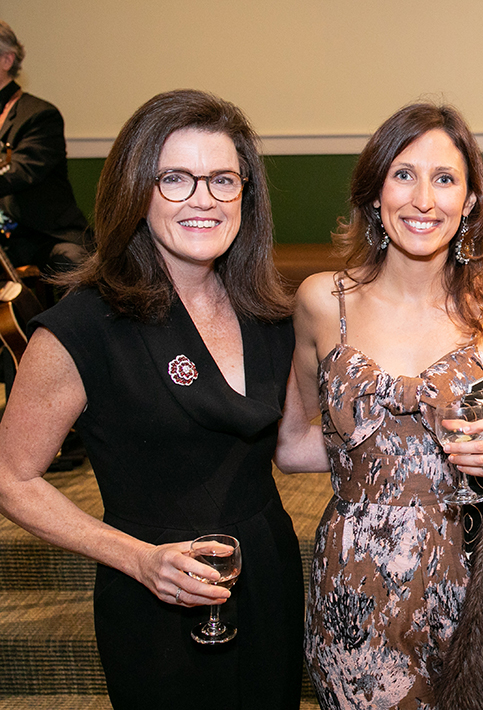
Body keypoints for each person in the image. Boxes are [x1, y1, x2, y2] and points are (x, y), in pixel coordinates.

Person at [0, 89, 327, 709]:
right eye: (175, 179)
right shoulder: (85, 326)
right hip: (151, 589)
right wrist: (137, 559)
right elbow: (11, 477)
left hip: (266, 572)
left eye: (223, 180)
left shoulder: (268, 314)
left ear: (246, 195)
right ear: (135, 192)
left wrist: (411, 436)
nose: (204, 199)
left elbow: (290, 446)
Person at [292, 102, 483, 708]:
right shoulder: (323, 302)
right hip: (355, 584)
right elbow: (294, 442)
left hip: (479, 579)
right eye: (403, 174)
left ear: (470, 201)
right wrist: (380, 465)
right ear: (374, 191)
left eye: (445, 178)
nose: (423, 200)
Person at [0, 20, 89, 272]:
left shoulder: (39, 115)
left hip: (43, 235)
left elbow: (21, 171)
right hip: (5, 241)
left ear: (7, 60)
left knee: (73, 262)